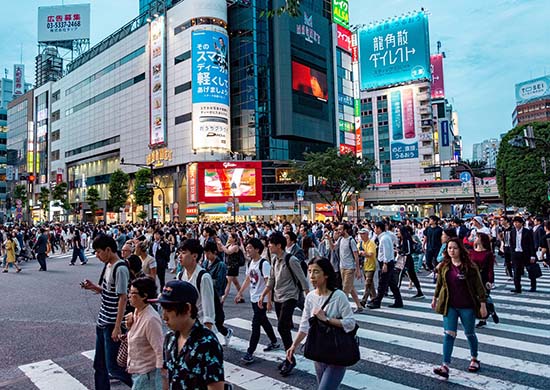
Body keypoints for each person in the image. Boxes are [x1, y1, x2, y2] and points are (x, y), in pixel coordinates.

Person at [286, 257, 356, 389]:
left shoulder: (339, 296)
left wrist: (326, 319)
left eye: (316, 271)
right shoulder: (310, 297)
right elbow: (304, 325)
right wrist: (293, 346)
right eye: (310, 271)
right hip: (319, 350)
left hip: (337, 352)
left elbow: (350, 323)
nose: (311, 276)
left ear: (326, 274)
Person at [81, 234, 133, 389]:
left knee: (114, 367)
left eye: (98, 252)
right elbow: (109, 291)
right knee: (100, 365)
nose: (97, 255)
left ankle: (141, 386)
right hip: (102, 321)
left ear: (108, 250)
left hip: (112, 324)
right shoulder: (108, 265)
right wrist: (94, 287)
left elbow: (122, 298)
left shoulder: (120, 268)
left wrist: (117, 327)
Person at [431, 237, 487, 379]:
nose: (452, 250)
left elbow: (479, 287)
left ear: (460, 249)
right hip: (450, 305)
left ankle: (474, 358)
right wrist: (435, 298)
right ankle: (445, 365)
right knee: (449, 334)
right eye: (449, 248)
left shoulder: (470, 266)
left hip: (467, 305)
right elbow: (440, 283)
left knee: (469, 333)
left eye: (454, 248)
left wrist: (483, 304)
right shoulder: (444, 265)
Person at [155, 280, 225, 390]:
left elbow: (216, 387)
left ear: (187, 309)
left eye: (168, 310)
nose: (164, 316)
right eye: (162, 309)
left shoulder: (207, 343)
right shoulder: (169, 338)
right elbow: (166, 376)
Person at [258, 233, 309, 377]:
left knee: (282, 326)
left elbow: (302, 279)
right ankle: (289, 356)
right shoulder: (274, 259)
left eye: (271, 243)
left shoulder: (291, 259)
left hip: (290, 296)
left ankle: (290, 359)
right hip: (278, 297)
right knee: (284, 328)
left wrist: (308, 295)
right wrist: (263, 295)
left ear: (278, 245)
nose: (268, 246)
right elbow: (271, 281)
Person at [177, 239, 233, 346]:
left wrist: (206, 339)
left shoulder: (203, 277)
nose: (180, 256)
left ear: (194, 256)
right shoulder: (180, 275)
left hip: (200, 327)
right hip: (186, 326)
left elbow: (208, 311)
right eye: (179, 253)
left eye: (184, 253)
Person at [235, 238, 279, 364]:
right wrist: (240, 292)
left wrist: (269, 301)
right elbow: (248, 279)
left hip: (262, 299)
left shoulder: (263, 264)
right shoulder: (251, 263)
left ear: (257, 249)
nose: (247, 250)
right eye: (247, 247)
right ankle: (274, 342)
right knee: (263, 321)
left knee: (256, 325)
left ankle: (250, 352)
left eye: (250, 248)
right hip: (254, 298)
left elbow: (268, 284)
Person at [125, 277, 163, 389]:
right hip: (137, 371)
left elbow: (159, 349)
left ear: (144, 296)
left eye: (132, 293)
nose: (129, 295)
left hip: (147, 374)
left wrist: (161, 378)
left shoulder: (151, 319)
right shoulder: (137, 311)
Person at [368, 222, 403, 309]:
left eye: (375, 228)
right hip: (385, 262)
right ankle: (398, 301)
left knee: (382, 283)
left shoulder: (384, 238)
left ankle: (377, 302)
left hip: (386, 262)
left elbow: (386, 252)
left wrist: (385, 264)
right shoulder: (383, 237)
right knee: (392, 283)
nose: (374, 230)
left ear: (379, 228)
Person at [469, 232, 498, 328]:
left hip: (483, 277)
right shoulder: (471, 252)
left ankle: (483, 319)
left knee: (483, 298)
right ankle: (490, 310)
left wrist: (490, 281)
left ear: (482, 240)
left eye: (477, 237)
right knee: (474, 298)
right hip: (472, 277)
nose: (475, 238)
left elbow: (490, 269)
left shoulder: (488, 253)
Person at [335, 223, 364, 312]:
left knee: (345, 290)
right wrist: (329, 239)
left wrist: (358, 270)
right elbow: (333, 248)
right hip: (342, 267)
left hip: (349, 268)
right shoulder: (340, 239)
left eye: (340, 229)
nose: (338, 231)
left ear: (345, 230)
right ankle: (359, 306)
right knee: (350, 288)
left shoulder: (351, 240)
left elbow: (356, 256)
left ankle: (342, 311)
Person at [510, 216, 537, 293]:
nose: (516, 224)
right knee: (516, 272)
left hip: (526, 254)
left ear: (521, 223)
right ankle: (517, 288)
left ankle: (533, 286)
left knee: (530, 270)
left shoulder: (527, 231)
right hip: (516, 254)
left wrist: (532, 255)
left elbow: (531, 244)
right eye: (514, 222)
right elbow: (511, 243)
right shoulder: (512, 231)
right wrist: (512, 255)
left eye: (517, 222)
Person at [397, 226, 424, 298]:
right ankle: (419, 292)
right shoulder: (401, 239)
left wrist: (400, 252)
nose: (397, 233)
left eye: (399, 231)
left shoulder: (407, 239)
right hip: (404, 259)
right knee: (411, 275)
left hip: (407, 259)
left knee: (401, 274)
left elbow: (409, 251)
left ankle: (396, 292)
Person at [217, 233, 244, 304]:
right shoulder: (229, 245)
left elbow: (228, 252)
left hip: (233, 266)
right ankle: (241, 296)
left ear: (234, 239)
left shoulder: (235, 246)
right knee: (236, 282)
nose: (229, 238)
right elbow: (221, 250)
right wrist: (219, 244)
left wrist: (221, 245)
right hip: (229, 265)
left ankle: (222, 299)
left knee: (228, 283)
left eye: (230, 237)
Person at [357, 228, 377, 306]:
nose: (361, 236)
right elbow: (356, 251)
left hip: (371, 265)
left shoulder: (371, 243)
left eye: (363, 234)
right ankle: (374, 297)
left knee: (367, 283)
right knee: (370, 283)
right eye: (360, 234)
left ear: (367, 234)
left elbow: (371, 254)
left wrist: (363, 253)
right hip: (364, 265)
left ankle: (363, 300)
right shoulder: (360, 243)